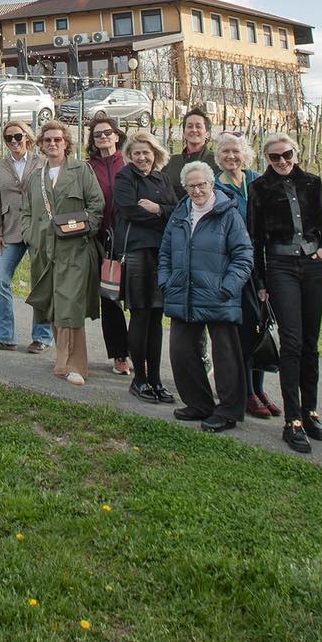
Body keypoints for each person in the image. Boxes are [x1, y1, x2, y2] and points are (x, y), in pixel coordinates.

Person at [250, 132, 322, 454]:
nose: (282, 162)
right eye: (275, 157)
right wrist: (259, 282)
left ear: (295, 153)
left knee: (311, 342)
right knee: (292, 342)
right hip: (281, 267)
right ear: (267, 159)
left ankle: (311, 411)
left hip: (313, 266)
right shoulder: (259, 189)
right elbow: (255, 239)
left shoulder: (313, 183)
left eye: (287, 155)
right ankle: (293, 419)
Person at [161, 161, 255, 431]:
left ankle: (227, 411)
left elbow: (243, 255)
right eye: (191, 186)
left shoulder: (227, 213)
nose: (197, 190)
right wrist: (166, 281)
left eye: (202, 184)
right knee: (181, 351)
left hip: (218, 294)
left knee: (225, 355)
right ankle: (199, 404)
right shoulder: (180, 213)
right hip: (184, 291)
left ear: (211, 184)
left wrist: (228, 287)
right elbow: (166, 250)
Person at [24, 120, 104, 385]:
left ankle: (73, 365)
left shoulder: (81, 170)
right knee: (54, 306)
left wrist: (86, 229)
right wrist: (30, 236)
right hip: (45, 252)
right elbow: (26, 212)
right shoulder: (36, 176)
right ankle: (63, 360)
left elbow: (96, 204)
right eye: (47, 140)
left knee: (70, 307)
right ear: (41, 144)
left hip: (75, 251)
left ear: (66, 143)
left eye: (57, 139)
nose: (52, 144)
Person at [213, 133, 275, 418]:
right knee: (245, 329)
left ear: (245, 153)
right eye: (225, 152)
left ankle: (260, 389)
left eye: (235, 151)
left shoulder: (257, 181)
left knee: (262, 325)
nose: (231, 156)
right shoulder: (215, 186)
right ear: (218, 156)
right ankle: (247, 391)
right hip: (235, 265)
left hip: (262, 263)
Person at [111, 130, 175, 403]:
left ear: (155, 153)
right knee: (140, 314)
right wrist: (159, 213)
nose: (141, 157)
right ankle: (139, 380)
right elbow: (127, 210)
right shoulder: (125, 177)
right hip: (137, 251)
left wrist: (157, 209)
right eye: (136, 153)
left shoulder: (162, 178)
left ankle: (156, 379)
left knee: (156, 316)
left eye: (146, 152)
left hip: (161, 252)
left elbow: (177, 209)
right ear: (130, 156)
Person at [0, 120, 51, 352]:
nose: (13, 141)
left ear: (27, 138)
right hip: (9, 231)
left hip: (38, 230)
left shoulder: (42, 162)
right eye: (8, 138)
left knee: (41, 282)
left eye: (18, 136)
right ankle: (3, 335)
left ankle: (42, 336)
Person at [84, 114, 133, 378]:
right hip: (104, 240)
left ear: (117, 134)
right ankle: (119, 354)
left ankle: (141, 351)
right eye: (97, 134)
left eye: (107, 132)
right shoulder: (88, 167)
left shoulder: (128, 162)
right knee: (111, 298)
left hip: (131, 237)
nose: (103, 137)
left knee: (136, 299)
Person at [162, 106, 215, 193]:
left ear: (207, 134)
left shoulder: (216, 162)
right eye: (190, 126)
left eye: (198, 126)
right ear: (184, 133)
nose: (194, 130)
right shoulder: (171, 162)